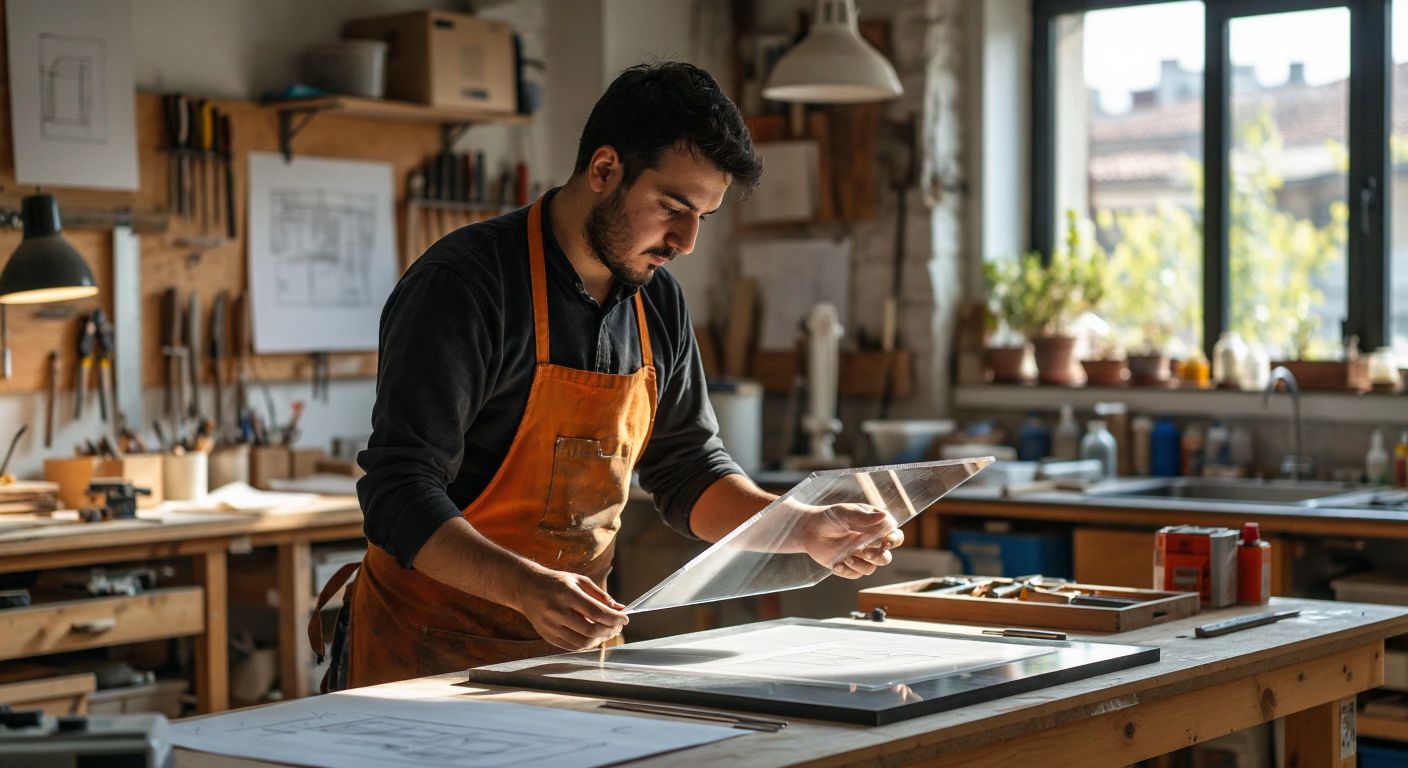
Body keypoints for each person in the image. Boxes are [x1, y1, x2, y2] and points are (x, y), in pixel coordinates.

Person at [311, 62, 903, 690]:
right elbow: (397, 493)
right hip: (423, 658)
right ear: (603, 170)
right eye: (673, 208)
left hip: (575, 654)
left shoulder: (660, 304)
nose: (687, 240)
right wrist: (526, 588)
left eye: (703, 216)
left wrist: (800, 525)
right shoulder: (465, 287)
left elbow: (688, 473)